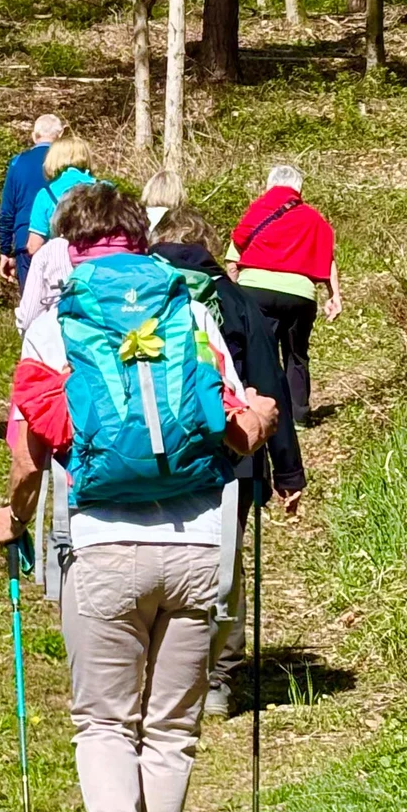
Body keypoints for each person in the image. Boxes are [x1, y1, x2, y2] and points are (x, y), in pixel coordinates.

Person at [0, 182, 276, 812]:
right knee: (172, 729)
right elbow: (237, 426)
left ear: (70, 250)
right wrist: (265, 420)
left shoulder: (54, 329)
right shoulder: (192, 314)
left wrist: (12, 516)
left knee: (104, 722)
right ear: (138, 241)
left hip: (104, 550)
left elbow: (30, 451)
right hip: (197, 550)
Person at [146, 190, 300, 719]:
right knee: (223, 562)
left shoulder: (139, 295)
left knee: (161, 549)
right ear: (207, 245)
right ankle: (215, 677)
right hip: (230, 451)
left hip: (154, 446)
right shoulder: (235, 300)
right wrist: (287, 469)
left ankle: (160, 668)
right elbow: (268, 381)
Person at [227, 163, 340, 429]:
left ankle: (261, 414)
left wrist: (235, 293)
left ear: (269, 185)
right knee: (296, 354)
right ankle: (299, 415)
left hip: (256, 290)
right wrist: (335, 295)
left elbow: (233, 259)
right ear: (299, 189)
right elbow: (327, 258)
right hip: (300, 295)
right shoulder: (314, 218)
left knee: (259, 353)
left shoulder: (257, 211)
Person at [0, 113, 64, 283]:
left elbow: (7, 210)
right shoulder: (65, 164)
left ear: (34, 136)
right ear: (61, 135)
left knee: (31, 304)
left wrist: (5, 250)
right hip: (61, 241)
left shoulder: (18, 163)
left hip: (25, 241)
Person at [25, 136, 96, 255]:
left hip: (65, 264)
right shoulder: (106, 189)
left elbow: (34, 246)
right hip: (100, 262)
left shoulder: (46, 194)